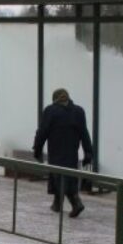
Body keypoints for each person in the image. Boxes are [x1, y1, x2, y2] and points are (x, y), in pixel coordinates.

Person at [32, 87, 94, 218]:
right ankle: (57, 203)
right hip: (72, 152)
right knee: (68, 176)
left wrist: (37, 149)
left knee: (59, 176)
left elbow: (42, 132)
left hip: (56, 151)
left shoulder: (50, 111)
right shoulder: (78, 111)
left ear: (55, 99)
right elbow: (84, 133)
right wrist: (88, 152)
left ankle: (76, 203)